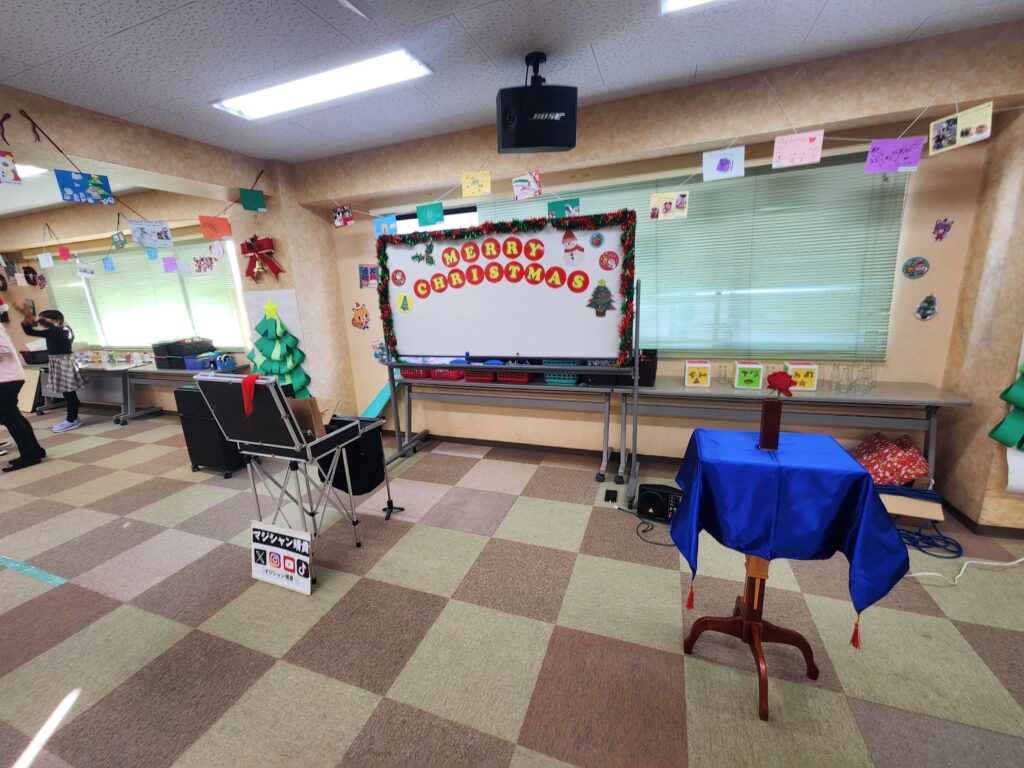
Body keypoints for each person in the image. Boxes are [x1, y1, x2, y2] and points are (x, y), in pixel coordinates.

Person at [21, 309, 86, 433]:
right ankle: (73, 419)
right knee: (66, 392)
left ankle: (72, 419)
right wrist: (26, 322)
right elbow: (30, 331)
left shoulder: (65, 330)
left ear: (56, 320)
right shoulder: (52, 330)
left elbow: (58, 333)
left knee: (69, 392)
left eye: (44, 320)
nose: (41, 322)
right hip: (55, 361)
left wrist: (41, 320)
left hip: (65, 361)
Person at [0, 302, 46, 471]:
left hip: (6, 379)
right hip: (8, 377)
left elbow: (4, 349)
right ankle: (35, 451)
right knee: (14, 416)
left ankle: (29, 455)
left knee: (9, 417)